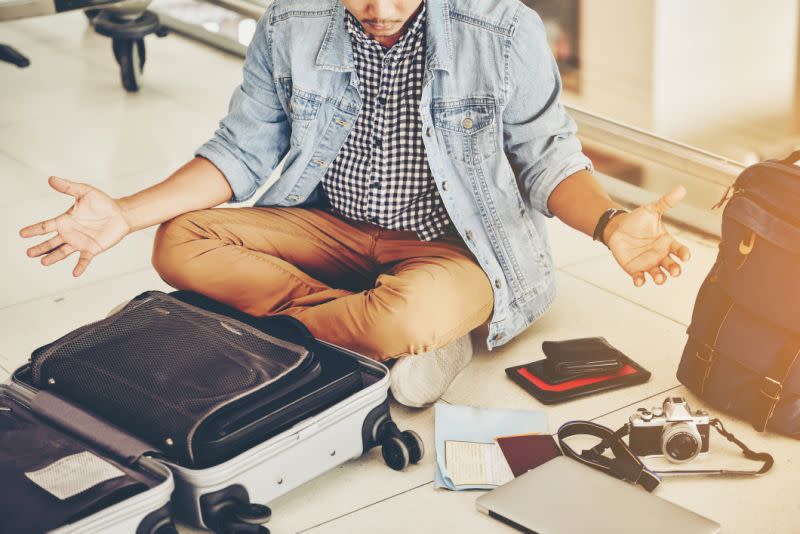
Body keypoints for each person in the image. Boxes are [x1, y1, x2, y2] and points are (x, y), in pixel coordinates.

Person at [19, 0, 690, 407]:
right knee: (178, 241)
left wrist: (609, 223)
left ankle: (352, 326)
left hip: (455, 249)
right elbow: (242, 150)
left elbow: (548, 158)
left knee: (408, 309)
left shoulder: (503, 27)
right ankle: (378, 332)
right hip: (329, 229)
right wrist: (127, 214)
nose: (380, 10)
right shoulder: (292, 19)